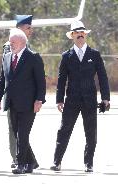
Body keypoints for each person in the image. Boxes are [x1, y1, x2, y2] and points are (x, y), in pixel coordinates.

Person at [50, 20, 110, 173]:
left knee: (91, 133)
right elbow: (61, 79)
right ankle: (57, 162)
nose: (80, 35)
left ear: (85, 35)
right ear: (72, 36)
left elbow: (103, 77)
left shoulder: (94, 54)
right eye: (77, 33)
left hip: (90, 100)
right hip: (71, 100)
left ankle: (88, 163)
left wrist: (106, 98)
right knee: (64, 131)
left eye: (82, 32)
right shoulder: (66, 56)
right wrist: (59, 99)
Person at [0, 28, 46, 174]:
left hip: (29, 104)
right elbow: (2, 80)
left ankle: (21, 164)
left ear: (23, 42)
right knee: (17, 134)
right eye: (10, 42)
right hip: (11, 102)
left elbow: (41, 82)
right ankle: (31, 163)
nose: (10, 44)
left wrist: (39, 100)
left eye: (13, 42)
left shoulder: (33, 57)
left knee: (23, 134)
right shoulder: (7, 57)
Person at [2, 15, 39, 169]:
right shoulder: (9, 46)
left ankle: (26, 160)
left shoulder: (28, 48)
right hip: (13, 97)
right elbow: (5, 73)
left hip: (26, 97)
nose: (31, 30)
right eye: (28, 27)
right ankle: (17, 158)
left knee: (22, 132)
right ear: (19, 29)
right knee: (15, 131)